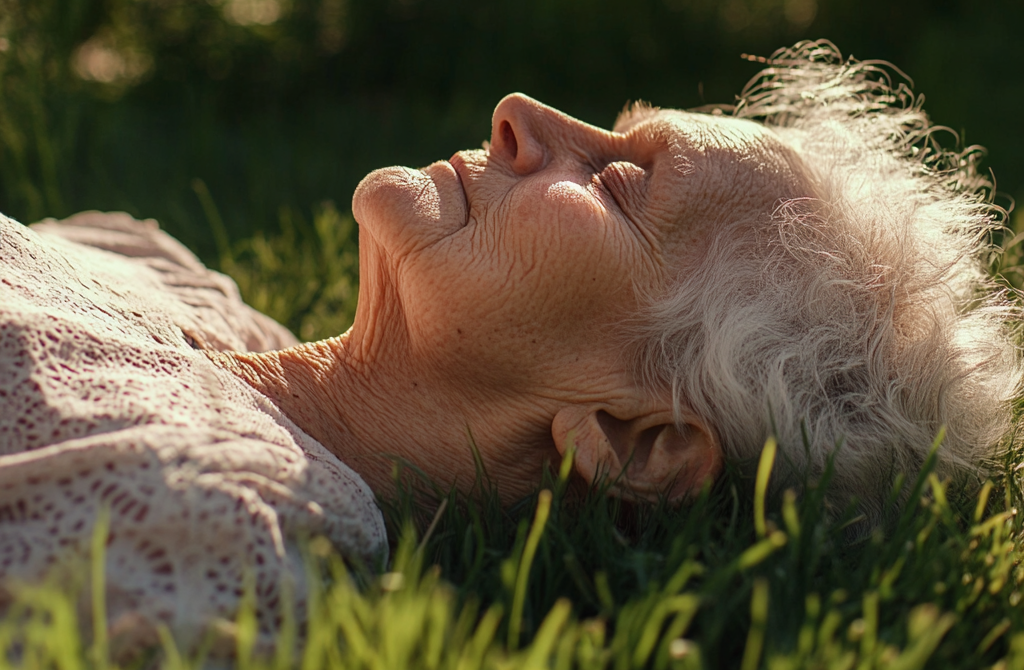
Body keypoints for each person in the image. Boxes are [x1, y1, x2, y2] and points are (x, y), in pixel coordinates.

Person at [0, 42, 1019, 646]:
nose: (519, 117)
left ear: (638, 443)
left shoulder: (191, 536)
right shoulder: (172, 284)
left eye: (619, 185)